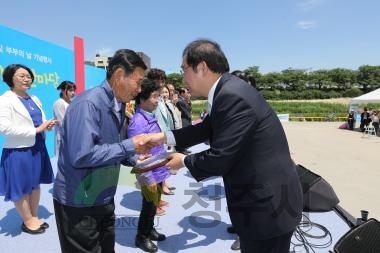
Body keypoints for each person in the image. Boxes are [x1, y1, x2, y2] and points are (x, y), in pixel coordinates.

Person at [161, 39, 303, 253]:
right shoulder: (228, 90)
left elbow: (220, 158)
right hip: (262, 202)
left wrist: (183, 161)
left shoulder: (232, 95)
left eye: (184, 69)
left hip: (267, 209)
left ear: (201, 67)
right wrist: (163, 138)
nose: (183, 77)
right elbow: (206, 129)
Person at [52, 49, 164, 253]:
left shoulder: (118, 103)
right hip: (79, 201)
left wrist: (134, 158)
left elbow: (112, 143)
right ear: (119, 75)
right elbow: (82, 155)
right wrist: (131, 145)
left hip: (103, 194)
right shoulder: (89, 104)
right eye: (138, 82)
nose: (140, 90)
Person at [0, 64, 57, 234]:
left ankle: (33, 216)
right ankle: (28, 220)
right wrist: (36, 130)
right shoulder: (5, 99)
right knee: (21, 187)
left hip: (38, 148)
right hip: (19, 151)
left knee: (35, 184)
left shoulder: (33, 98)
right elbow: (4, 127)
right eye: (22, 76)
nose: (27, 79)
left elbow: (38, 121)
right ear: (11, 78)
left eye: (29, 76)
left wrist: (46, 126)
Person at [128, 79, 171, 253]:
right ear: (142, 99)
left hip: (158, 169)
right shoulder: (138, 122)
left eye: (159, 96)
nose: (157, 100)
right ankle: (141, 237)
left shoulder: (150, 117)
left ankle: (150, 229)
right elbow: (138, 156)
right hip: (149, 173)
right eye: (154, 97)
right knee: (148, 206)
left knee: (153, 206)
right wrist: (148, 178)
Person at [147, 68, 176, 196]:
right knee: (155, 167)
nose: (161, 82)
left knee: (164, 162)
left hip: (165, 135)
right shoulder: (149, 96)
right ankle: (156, 195)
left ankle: (164, 184)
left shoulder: (161, 97)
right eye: (157, 79)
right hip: (155, 136)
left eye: (162, 79)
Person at [53, 80, 76, 156]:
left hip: (72, 137)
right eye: (70, 90)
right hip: (63, 137)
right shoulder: (59, 103)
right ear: (63, 90)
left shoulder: (71, 102)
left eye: (73, 90)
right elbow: (63, 122)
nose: (73, 93)